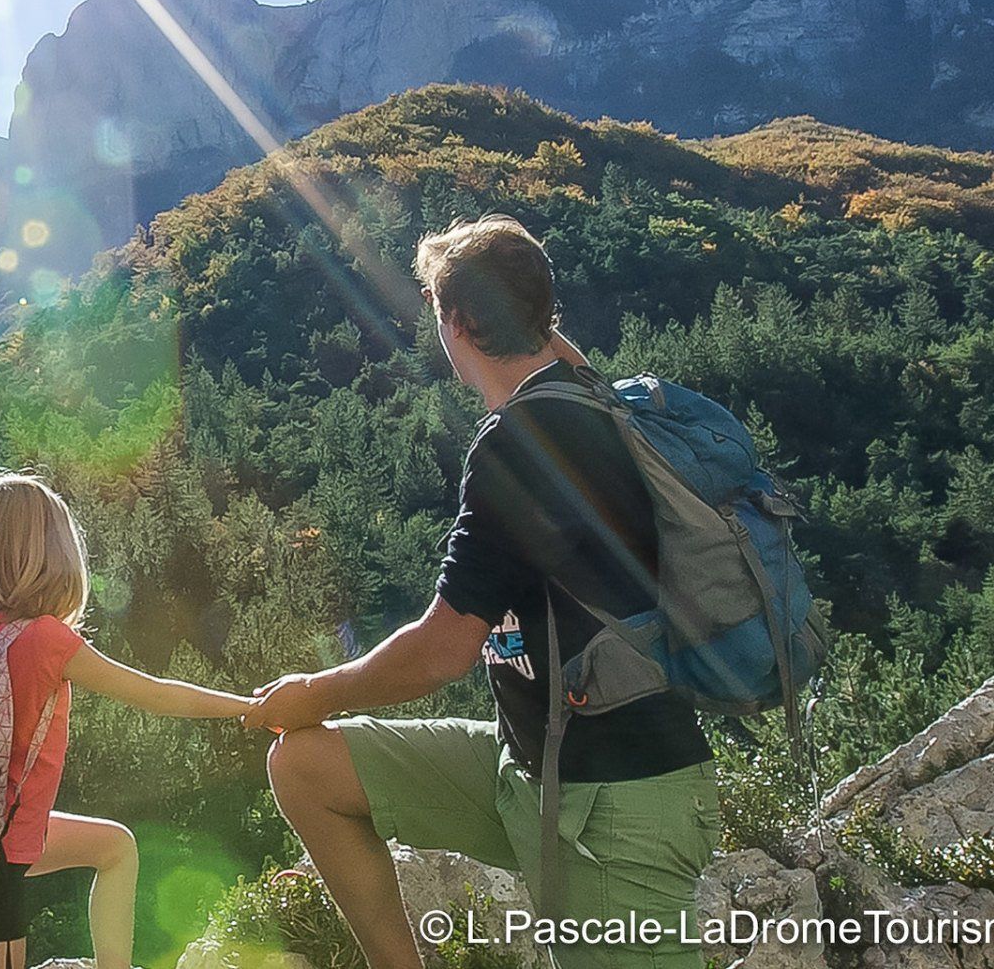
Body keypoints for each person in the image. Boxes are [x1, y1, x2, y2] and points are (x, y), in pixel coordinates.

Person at [246, 215, 719, 969]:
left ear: (456, 323)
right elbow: (551, 349)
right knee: (307, 768)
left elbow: (442, 651)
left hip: (616, 800)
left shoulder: (515, 450)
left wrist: (316, 691)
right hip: (532, 772)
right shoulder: (598, 400)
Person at [0, 472, 254, 969]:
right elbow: (156, 696)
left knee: (114, 846)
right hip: (0, 847)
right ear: (52, 553)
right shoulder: (47, 640)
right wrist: (247, 707)